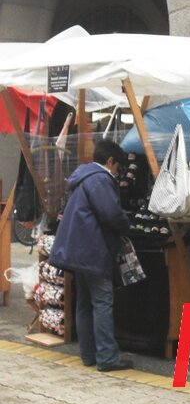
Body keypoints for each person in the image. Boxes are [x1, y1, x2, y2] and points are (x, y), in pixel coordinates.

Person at [49, 139, 132, 372]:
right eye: (117, 167)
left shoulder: (82, 176)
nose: (117, 173)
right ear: (110, 161)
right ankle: (107, 357)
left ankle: (88, 355)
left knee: (84, 304)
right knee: (102, 302)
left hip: (77, 251)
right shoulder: (100, 179)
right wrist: (127, 225)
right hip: (93, 251)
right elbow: (111, 214)